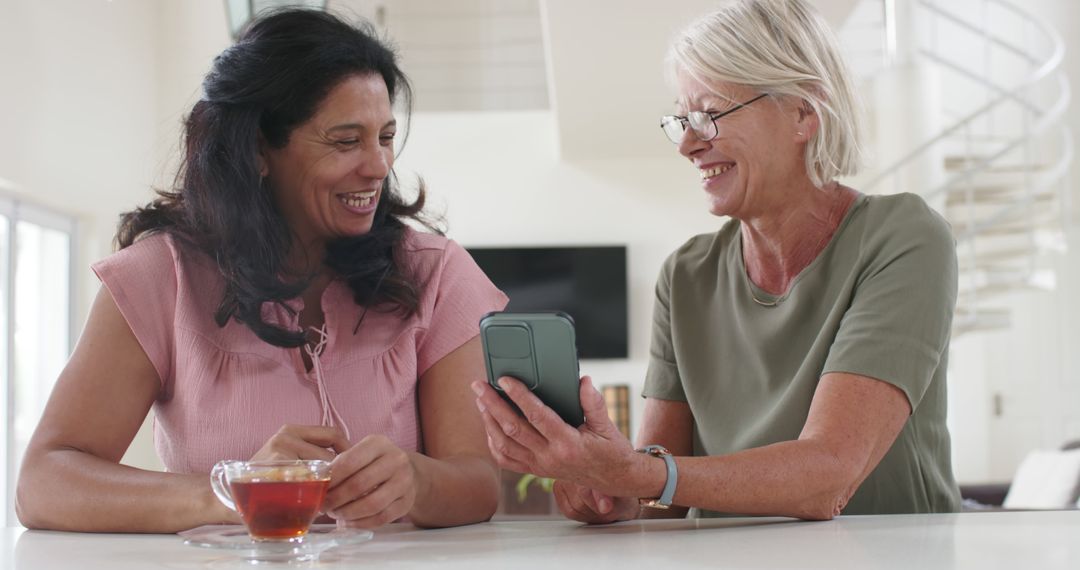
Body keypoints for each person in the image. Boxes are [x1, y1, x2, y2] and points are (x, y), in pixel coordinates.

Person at [16, 9, 507, 532]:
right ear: (257, 149)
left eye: (384, 137)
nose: (378, 166)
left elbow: (477, 482)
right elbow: (43, 483)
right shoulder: (160, 278)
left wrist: (418, 481)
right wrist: (236, 489)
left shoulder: (434, 273)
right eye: (345, 141)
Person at [472, 0, 960, 522]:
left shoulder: (903, 238)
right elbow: (658, 499)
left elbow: (829, 477)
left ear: (803, 112)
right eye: (681, 119)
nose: (686, 144)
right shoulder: (685, 275)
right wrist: (607, 493)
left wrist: (637, 475)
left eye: (708, 115)